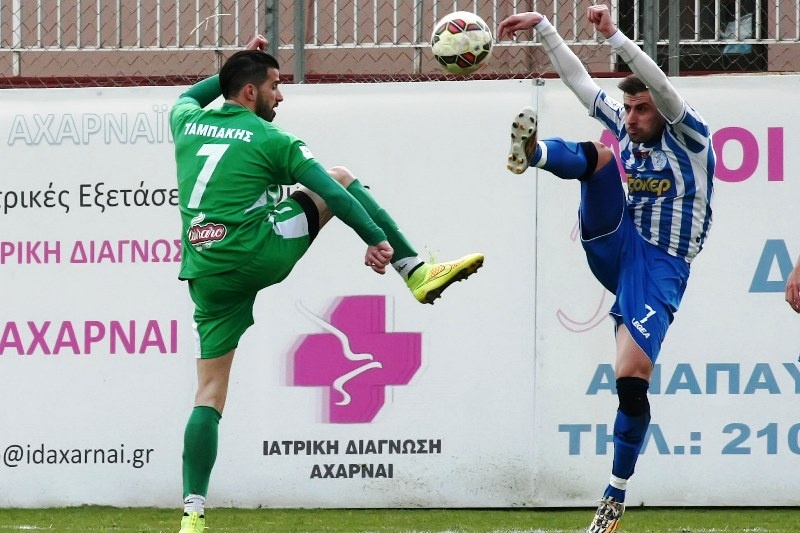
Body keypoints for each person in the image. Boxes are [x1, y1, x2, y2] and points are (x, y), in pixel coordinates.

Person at [169, 35, 484, 533]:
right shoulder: (273, 140)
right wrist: (376, 239)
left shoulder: (184, 121)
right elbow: (335, 191)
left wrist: (235, 66)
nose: (282, 95)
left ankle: (192, 513)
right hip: (258, 253)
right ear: (250, 93)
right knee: (340, 174)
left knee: (208, 393)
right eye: (274, 85)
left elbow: (190, 95)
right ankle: (416, 272)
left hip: (204, 269)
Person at [498, 5, 714, 532]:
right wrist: (546, 28)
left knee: (631, 377)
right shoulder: (627, 127)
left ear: (661, 110)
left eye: (641, 109)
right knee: (598, 155)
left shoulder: (690, 137)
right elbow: (577, 82)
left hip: (660, 267)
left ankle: (613, 497)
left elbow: (664, 88)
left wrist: (615, 36)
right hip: (616, 243)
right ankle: (537, 150)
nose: (633, 116)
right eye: (630, 107)